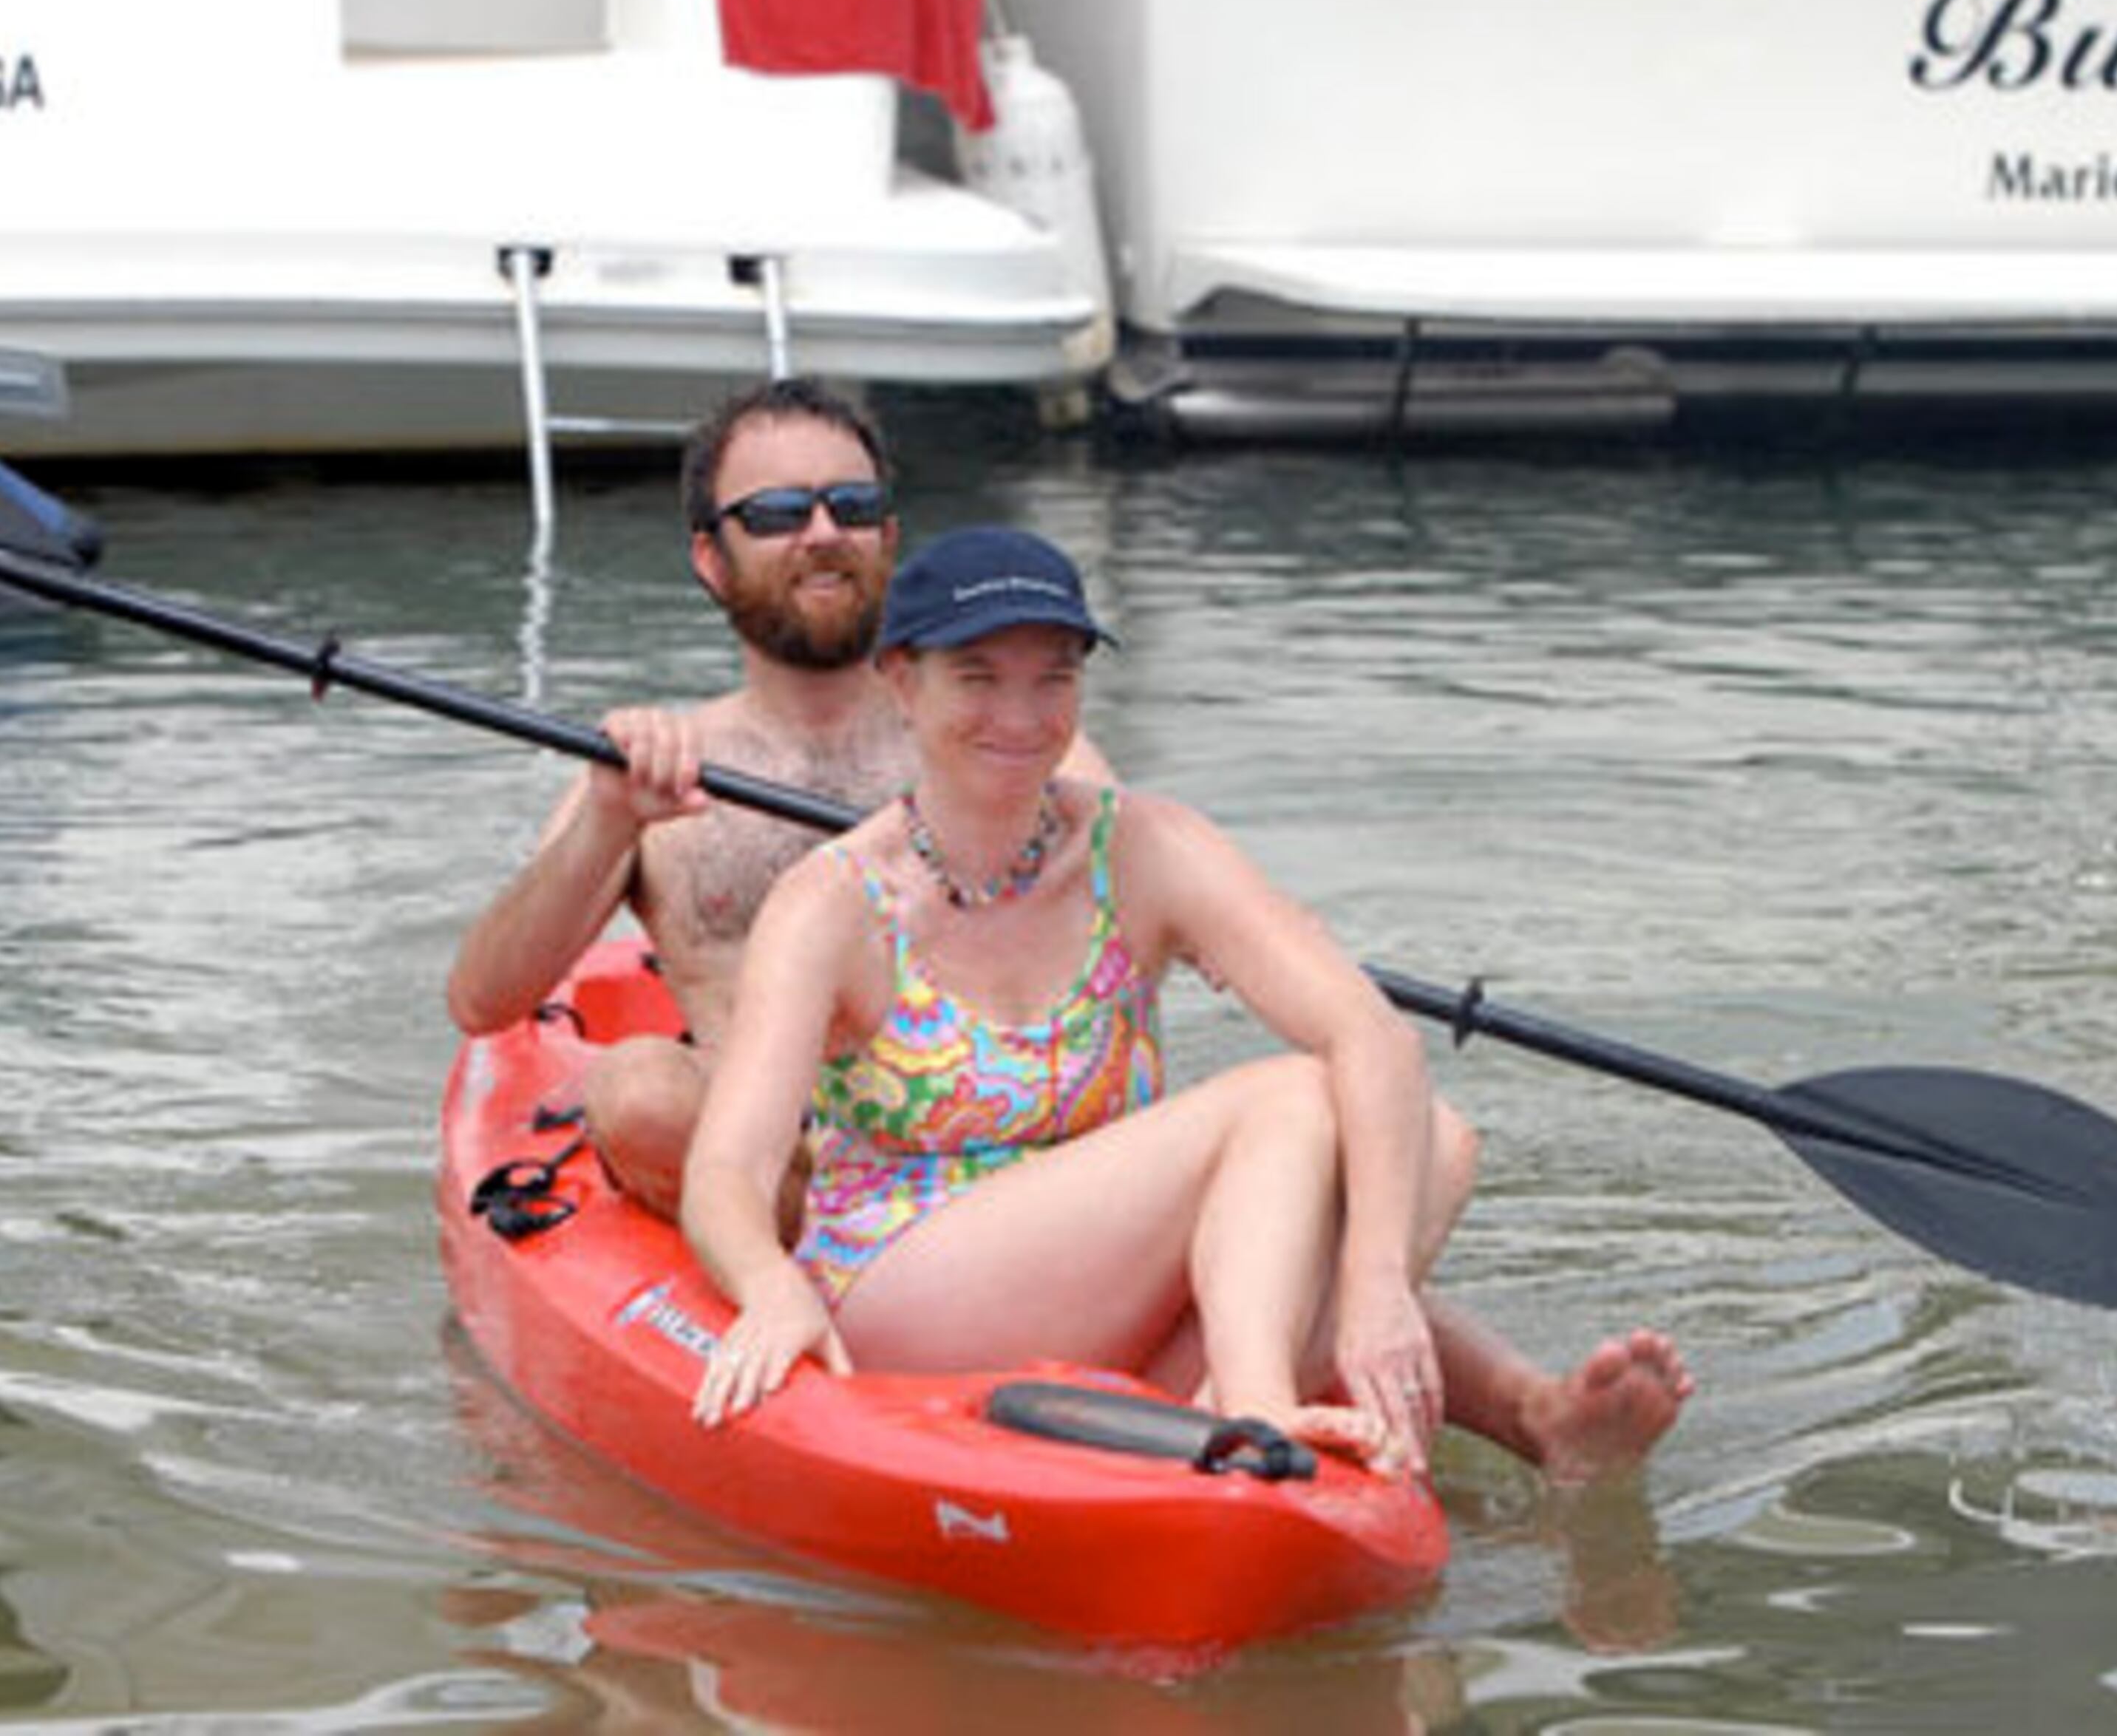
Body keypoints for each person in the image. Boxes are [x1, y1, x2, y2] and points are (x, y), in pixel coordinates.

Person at [682, 526, 1690, 1479]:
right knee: (1291, 1098)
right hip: (908, 1285)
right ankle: (1252, 1405)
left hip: (1104, 1282)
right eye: (980, 678)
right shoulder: (833, 900)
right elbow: (730, 1166)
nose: (1024, 718)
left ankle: (1443, 1418)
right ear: (899, 679)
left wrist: (1378, 1282)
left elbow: (1369, 1031)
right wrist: (770, 1289)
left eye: (1055, 679)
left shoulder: (1144, 846)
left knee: (1436, 1138)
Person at [446, 377, 1110, 1220]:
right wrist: (609, 823)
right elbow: (483, 1002)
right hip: (785, 1178)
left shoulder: (1017, 739)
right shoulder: (656, 769)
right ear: (710, 560)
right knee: (639, 1090)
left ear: (890, 538)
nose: (824, 533)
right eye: (777, 513)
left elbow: (1134, 945)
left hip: (1008, 1163)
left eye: (852, 505)